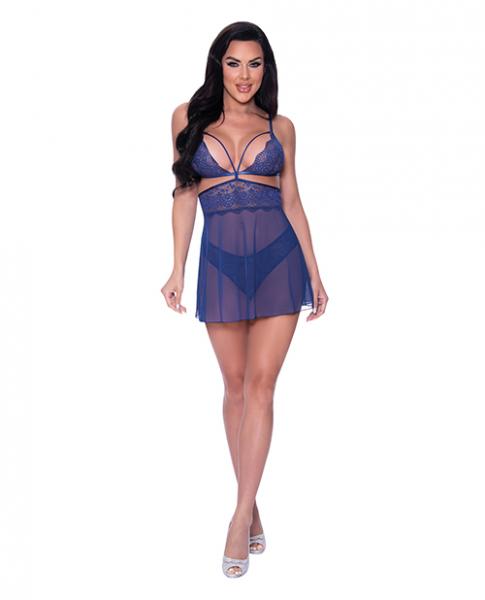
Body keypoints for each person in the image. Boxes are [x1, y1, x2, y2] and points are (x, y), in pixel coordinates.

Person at [161, 21, 328, 578]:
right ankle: (250, 502)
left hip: (279, 261)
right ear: (219, 65)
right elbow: (185, 195)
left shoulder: (281, 127)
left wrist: (316, 274)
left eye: (255, 64)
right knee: (233, 386)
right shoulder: (187, 118)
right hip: (221, 264)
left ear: (266, 69)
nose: (244, 75)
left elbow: (293, 201)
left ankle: (237, 519)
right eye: (234, 63)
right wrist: (177, 268)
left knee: (261, 386)